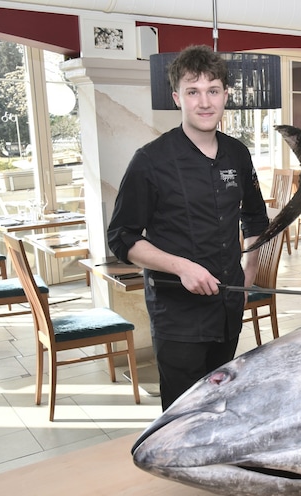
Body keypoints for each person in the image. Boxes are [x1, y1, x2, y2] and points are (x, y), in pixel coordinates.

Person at [107, 45, 269, 410]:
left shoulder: (238, 154)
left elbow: (256, 220)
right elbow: (122, 238)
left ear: (226, 96)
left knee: (220, 406)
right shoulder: (150, 160)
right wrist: (181, 266)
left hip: (228, 309)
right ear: (178, 97)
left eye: (213, 90)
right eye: (193, 92)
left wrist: (248, 274)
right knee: (183, 415)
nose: (204, 102)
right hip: (176, 317)